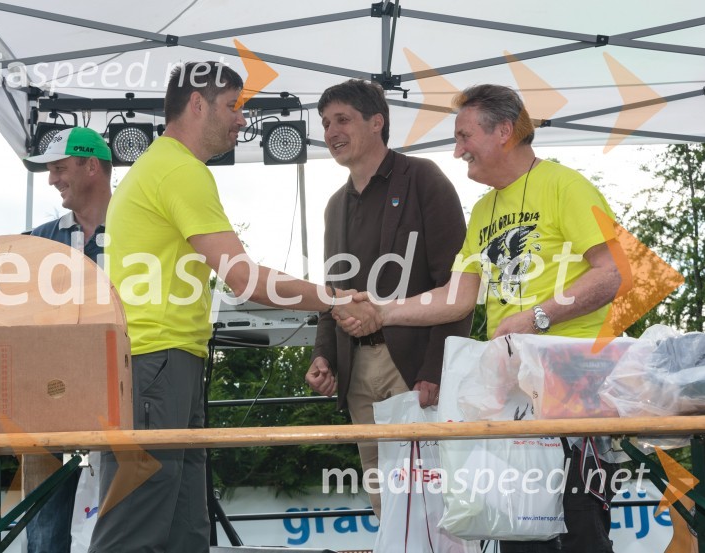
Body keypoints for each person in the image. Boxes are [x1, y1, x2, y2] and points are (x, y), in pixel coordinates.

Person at [88, 61, 373, 553]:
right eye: (232, 106)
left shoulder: (160, 167)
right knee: (134, 532)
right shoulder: (180, 170)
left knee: (185, 531)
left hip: (160, 361)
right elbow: (244, 279)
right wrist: (335, 298)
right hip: (155, 362)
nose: (242, 120)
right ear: (197, 103)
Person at [345, 84, 623, 552]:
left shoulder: (564, 185)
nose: (457, 151)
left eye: (464, 136)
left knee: (579, 534)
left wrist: (537, 316)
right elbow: (458, 297)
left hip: (575, 390)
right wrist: (382, 312)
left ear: (504, 133)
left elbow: (614, 272)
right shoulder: (483, 209)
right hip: (514, 394)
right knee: (515, 529)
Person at [304, 79, 471, 518]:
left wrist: (436, 370)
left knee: (435, 507)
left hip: (414, 368)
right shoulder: (334, 205)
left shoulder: (424, 179)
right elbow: (331, 295)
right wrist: (324, 357)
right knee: (387, 507)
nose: (331, 131)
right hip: (357, 371)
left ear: (377, 122)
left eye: (342, 119)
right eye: (325, 123)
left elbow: (457, 285)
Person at [21, 126, 113, 552]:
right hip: (48, 397)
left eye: (60, 168)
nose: (52, 179)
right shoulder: (36, 242)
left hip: (121, 395)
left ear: (91, 166)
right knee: (46, 524)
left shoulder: (140, 229)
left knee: (125, 513)